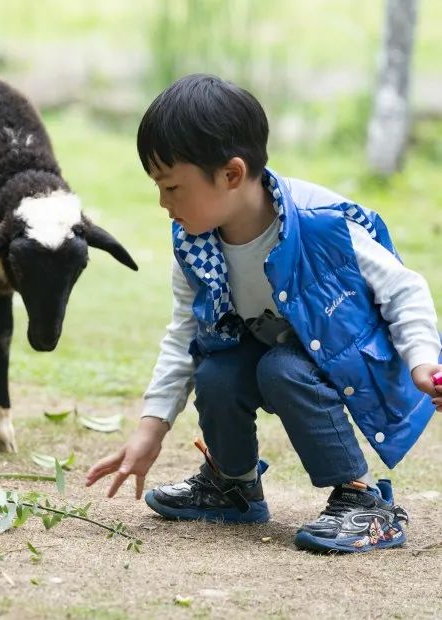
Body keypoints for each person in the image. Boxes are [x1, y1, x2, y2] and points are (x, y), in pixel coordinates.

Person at [85, 74, 442, 553]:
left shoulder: (321, 226)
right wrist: (151, 430)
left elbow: (404, 288)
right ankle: (234, 488)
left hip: (345, 352)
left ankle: (365, 503)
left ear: (232, 175)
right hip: (269, 341)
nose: (163, 204)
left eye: (172, 187)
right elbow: (183, 336)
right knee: (216, 373)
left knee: (283, 369)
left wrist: (422, 360)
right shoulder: (196, 243)